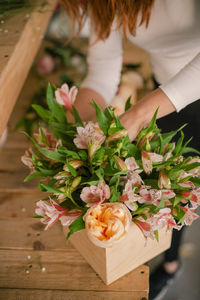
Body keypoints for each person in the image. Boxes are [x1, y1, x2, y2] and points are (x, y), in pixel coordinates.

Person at [62, 1, 200, 299]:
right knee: (170, 191)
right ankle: (172, 262)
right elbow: (103, 68)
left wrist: (137, 114)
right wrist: (83, 128)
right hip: (166, 99)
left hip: (164, 100)